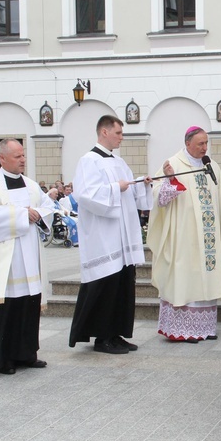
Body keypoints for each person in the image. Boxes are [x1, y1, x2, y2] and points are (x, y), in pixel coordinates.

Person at [147, 126, 221, 343]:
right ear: (188, 143)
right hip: (184, 237)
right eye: (200, 144)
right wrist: (171, 181)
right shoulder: (173, 164)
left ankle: (204, 328)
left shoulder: (212, 166)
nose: (204, 147)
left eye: (206, 143)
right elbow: (157, 197)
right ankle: (183, 330)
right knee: (186, 277)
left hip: (208, 237)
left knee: (206, 277)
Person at [68, 115, 152, 354]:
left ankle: (117, 334)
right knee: (105, 286)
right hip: (103, 238)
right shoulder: (89, 161)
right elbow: (85, 195)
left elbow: (130, 190)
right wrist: (117, 188)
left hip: (122, 236)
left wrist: (141, 183)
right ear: (104, 132)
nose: (121, 138)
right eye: (118, 133)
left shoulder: (119, 161)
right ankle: (102, 337)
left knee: (122, 286)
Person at [0, 138, 55, 375]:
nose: (23, 159)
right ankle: (2, 358)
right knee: (5, 307)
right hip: (3, 261)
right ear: (2, 158)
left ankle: (26, 353)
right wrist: (21, 215)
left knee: (27, 304)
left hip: (28, 256)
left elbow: (48, 206)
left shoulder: (31, 185)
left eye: (23, 155)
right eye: (17, 156)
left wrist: (38, 213)